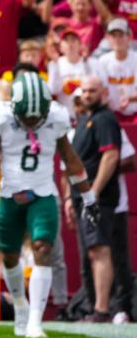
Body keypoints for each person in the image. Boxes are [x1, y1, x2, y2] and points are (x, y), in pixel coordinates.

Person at [0, 73, 92, 338]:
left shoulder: (56, 117)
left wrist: (89, 199)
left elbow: (71, 159)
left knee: (43, 248)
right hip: (9, 194)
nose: (32, 122)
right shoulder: (2, 118)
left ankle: (35, 322)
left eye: (36, 117)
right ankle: (20, 306)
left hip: (43, 193)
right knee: (9, 254)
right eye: (27, 117)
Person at [70, 76, 122, 323]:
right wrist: (73, 198)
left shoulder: (104, 119)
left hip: (96, 198)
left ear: (103, 93)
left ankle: (102, 309)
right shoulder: (84, 121)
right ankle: (95, 307)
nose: (88, 95)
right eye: (85, 90)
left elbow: (110, 156)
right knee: (91, 251)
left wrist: (94, 192)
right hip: (82, 197)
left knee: (99, 248)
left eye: (93, 90)